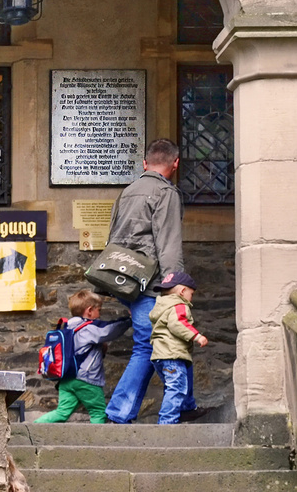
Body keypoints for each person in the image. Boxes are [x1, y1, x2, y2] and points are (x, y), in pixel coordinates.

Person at [104, 139, 185, 424]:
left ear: (144, 163)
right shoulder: (166, 193)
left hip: (125, 281)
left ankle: (186, 403)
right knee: (152, 345)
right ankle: (119, 411)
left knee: (158, 342)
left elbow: (112, 239)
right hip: (152, 284)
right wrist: (175, 285)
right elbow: (169, 244)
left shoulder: (127, 192)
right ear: (175, 163)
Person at [34, 288, 132, 424]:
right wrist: (129, 320)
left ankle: (33, 428)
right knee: (98, 413)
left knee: (62, 412)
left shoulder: (67, 328)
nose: (100, 314)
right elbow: (109, 330)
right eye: (99, 310)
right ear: (89, 310)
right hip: (86, 380)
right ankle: (98, 444)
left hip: (66, 380)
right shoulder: (88, 328)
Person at [148, 270, 208, 425]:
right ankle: (167, 421)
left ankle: (186, 409)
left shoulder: (162, 306)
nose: (191, 298)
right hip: (172, 355)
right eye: (191, 294)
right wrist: (197, 336)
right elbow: (178, 323)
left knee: (176, 385)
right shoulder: (179, 304)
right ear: (182, 291)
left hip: (160, 356)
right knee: (176, 388)